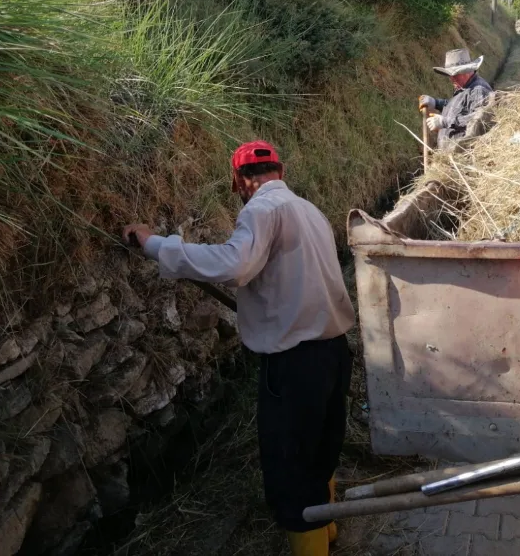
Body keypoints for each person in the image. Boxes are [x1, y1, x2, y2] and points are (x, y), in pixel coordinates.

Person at [123, 141, 355, 556]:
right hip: (334, 353)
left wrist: (155, 244)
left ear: (240, 181)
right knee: (321, 450)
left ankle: (313, 545)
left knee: (290, 469)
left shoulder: (261, 210)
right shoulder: (310, 211)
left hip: (295, 365)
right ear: (279, 172)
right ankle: (328, 532)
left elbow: (233, 265)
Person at [418, 47, 494, 147]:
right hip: (450, 153)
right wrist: (436, 103)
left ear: (466, 72)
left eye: (455, 75)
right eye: (450, 75)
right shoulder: (464, 87)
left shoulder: (478, 91)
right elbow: (459, 107)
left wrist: (445, 121)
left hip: (464, 156)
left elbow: (478, 119)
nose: (451, 78)